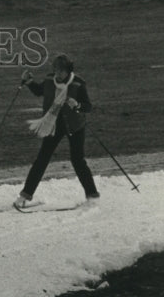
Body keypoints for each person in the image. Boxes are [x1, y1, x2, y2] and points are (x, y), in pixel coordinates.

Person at [14, 54, 100, 209]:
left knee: (78, 160)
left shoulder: (78, 84)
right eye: (55, 70)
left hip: (74, 126)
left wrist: (77, 105)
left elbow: (88, 106)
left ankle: (92, 195)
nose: (57, 74)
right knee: (42, 159)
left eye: (61, 71)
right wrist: (29, 82)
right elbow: (39, 91)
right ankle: (25, 196)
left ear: (68, 71)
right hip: (53, 125)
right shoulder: (49, 80)